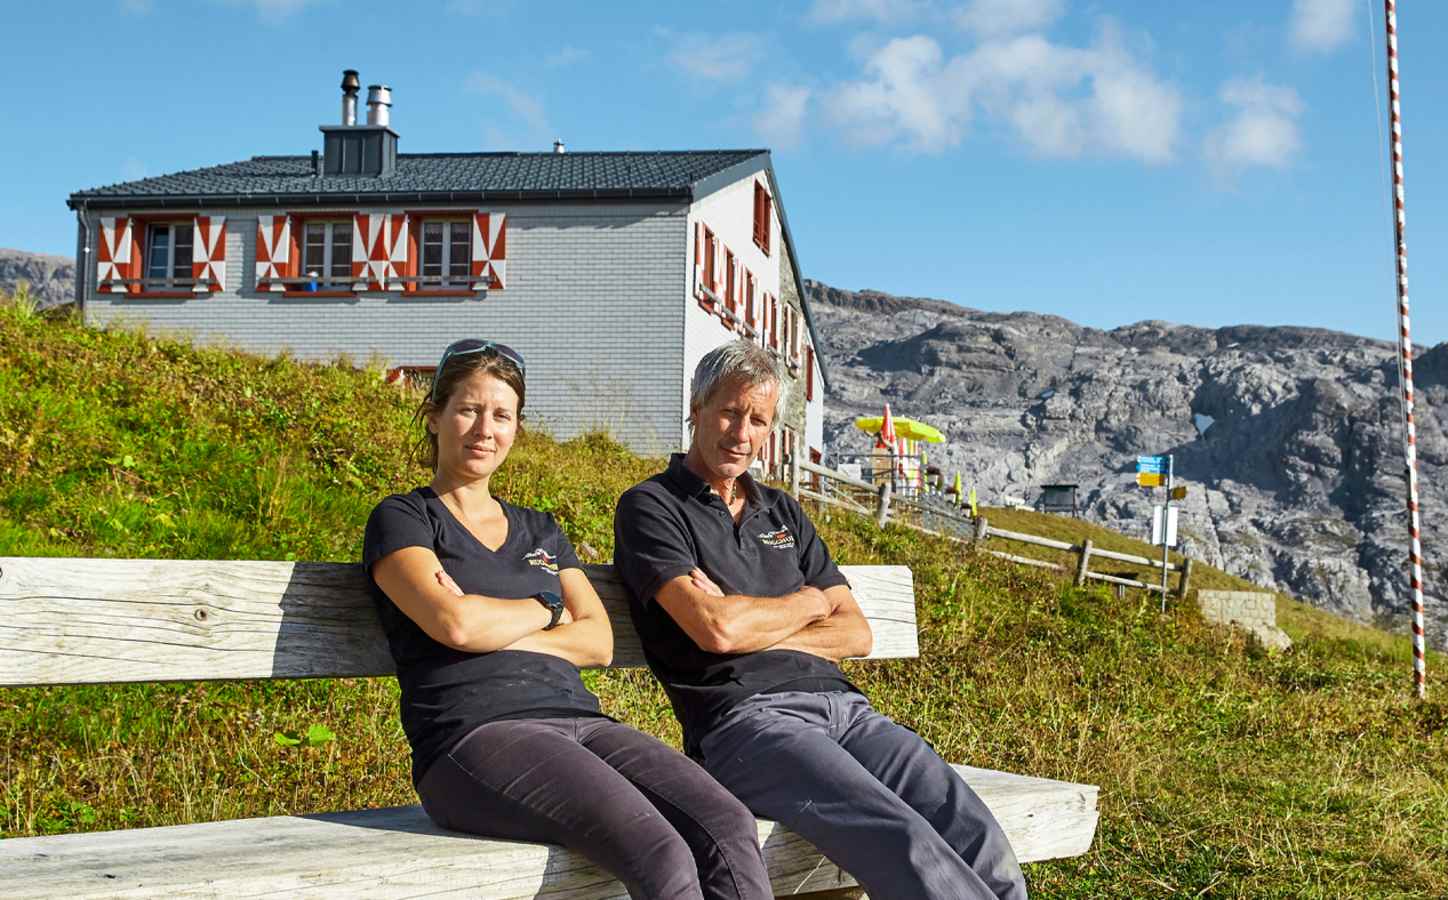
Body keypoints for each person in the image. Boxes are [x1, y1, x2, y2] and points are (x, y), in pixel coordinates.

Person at [613, 339, 1028, 900]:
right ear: (697, 409)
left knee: (976, 835)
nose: (741, 433)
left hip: (848, 712)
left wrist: (753, 622)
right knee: (903, 838)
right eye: (730, 412)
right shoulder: (652, 507)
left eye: (757, 420)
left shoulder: (782, 511)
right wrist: (810, 602)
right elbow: (717, 630)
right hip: (747, 725)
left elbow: (856, 632)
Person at [363, 339, 772, 900]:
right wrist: (546, 608)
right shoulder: (404, 517)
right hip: (473, 738)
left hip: (581, 722)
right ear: (434, 418)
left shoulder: (540, 531)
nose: (485, 429)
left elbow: (598, 641)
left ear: (516, 429)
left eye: (502, 415)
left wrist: (497, 627)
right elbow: (454, 624)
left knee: (726, 822)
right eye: (468, 410)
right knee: (661, 848)